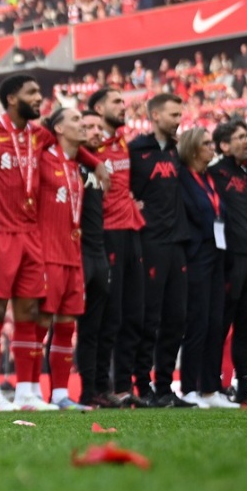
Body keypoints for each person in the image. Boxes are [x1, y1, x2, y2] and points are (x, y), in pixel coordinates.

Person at [0, 74, 106, 411]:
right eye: (31, 93)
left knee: (29, 310)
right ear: (12, 98)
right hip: (1, 232)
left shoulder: (39, 136)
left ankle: (28, 393)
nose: (38, 97)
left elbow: (73, 150)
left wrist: (95, 162)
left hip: (31, 236)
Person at [127, 94, 194, 408]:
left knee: (176, 318)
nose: (178, 119)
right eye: (172, 114)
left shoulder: (178, 153)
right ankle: (141, 385)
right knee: (148, 318)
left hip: (177, 243)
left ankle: (165, 387)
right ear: (154, 115)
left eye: (180, 113)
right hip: (149, 242)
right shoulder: (135, 151)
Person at [87, 88, 149, 408]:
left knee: (133, 315)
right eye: (116, 103)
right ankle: (99, 386)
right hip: (105, 234)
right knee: (108, 318)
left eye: (123, 103)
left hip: (131, 231)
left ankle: (124, 386)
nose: (123, 107)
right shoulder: (90, 146)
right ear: (98, 108)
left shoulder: (126, 143)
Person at [35, 108, 93, 410]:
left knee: (67, 326)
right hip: (48, 254)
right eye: (75, 120)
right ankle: (29, 392)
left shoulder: (75, 165)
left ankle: (59, 394)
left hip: (73, 254)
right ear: (57, 127)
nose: (82, 125)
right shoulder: (43, 158)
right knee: (41, 323)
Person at [176, 127, 236, 408]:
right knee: (197, 323)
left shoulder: (208, 179)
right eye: (206, 144)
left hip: (216, 258)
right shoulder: (182, 178)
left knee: (215, 323)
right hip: (195, 258)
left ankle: (211, 389)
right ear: (192, 149)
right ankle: (189, 388)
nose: (212, 148)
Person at [207, 121, 247, 401]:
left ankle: (243, 384)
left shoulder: (245, 174)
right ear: (224, 145)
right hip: (229, 259)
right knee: (222, 323)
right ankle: (213, 383)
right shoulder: (215, 172)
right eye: (240, 137)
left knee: (246, 324)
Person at [74, 111, 113, 407]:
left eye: (99, 127)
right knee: (73, 324)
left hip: (99, 250)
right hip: (76, 251)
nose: (95, 131)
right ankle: (72, 391)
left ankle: (98, 388)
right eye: (87, 126)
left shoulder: (99, 168)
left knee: (101, 325)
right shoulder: (70, 163)